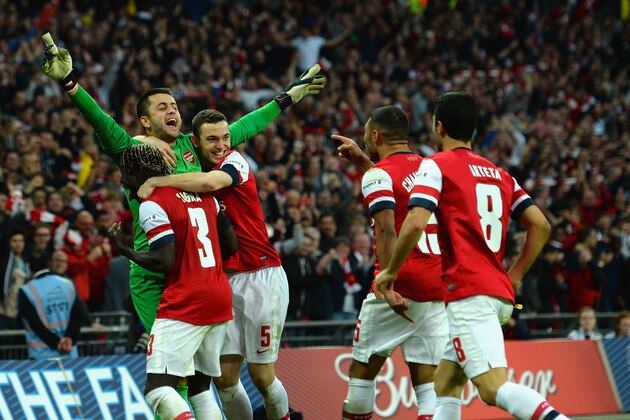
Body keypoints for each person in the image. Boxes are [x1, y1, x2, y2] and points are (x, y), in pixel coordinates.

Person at [40, 33, 324, 405]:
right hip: (155, 271)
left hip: (199, 275)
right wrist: (69, 82)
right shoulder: (132, 151)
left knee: (203, 378)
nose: (171, 110)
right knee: (177, 377)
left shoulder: (194, 145)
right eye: (161, 107)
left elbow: (241, 128)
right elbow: (100, 121)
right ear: (144, 120)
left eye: (173, 104)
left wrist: (286, 99)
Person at [374, 92, 569, 419]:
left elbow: (414, 223)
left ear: (439, 127)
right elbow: (541, 225)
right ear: (474, 131)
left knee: (493, 389)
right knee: (446, 383)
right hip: (496, 293)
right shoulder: (500, 173)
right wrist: (516, 275)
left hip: (468, 293)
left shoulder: (435, 166)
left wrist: (390, 270)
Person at [137, 110, 291, 420]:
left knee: (262, 377)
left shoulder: (234, 162)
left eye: (225, 138)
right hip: (225, 282)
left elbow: (209, 182)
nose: (221, 145)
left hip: (261, 275)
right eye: (212, 139)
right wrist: (145, 140)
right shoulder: (189, 172)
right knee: (224, 381)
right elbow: (144, 143)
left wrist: (157, 180)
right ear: (195, 142)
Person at [108, 143, 238, 419]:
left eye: (125, 173)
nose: (122, 180)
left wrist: (126, 250)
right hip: (218, 297)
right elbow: (230, 245)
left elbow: (164, 262)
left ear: (139, 171)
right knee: (200, 388)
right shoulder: (205, 195)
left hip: (186, 300)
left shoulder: (152, 204)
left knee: (157, 390)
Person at [334, 106, 447, 419]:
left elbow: (386, 227)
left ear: (374, 135)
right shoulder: (428, 167)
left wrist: (388, 281)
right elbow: (398, 188)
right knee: (426, 384)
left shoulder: (377, 176)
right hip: (435, 283)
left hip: (400, 281)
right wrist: (363, 161)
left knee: (361, 371)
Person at [17, 255, 91, 360]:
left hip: (41, 355)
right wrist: (69, 339)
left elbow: (35, 324)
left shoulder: (26, 290)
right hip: (70, 353)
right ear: (49, 264)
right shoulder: (68, 283)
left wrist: (57, 343)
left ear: (28, 267)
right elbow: (79, 314)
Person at [0, 229, 31, 330]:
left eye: (21, 240)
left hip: (19, 313)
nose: (18, 244)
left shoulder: (27, 262)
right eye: (14, 240)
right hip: (4, 312)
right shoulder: (4, 260)